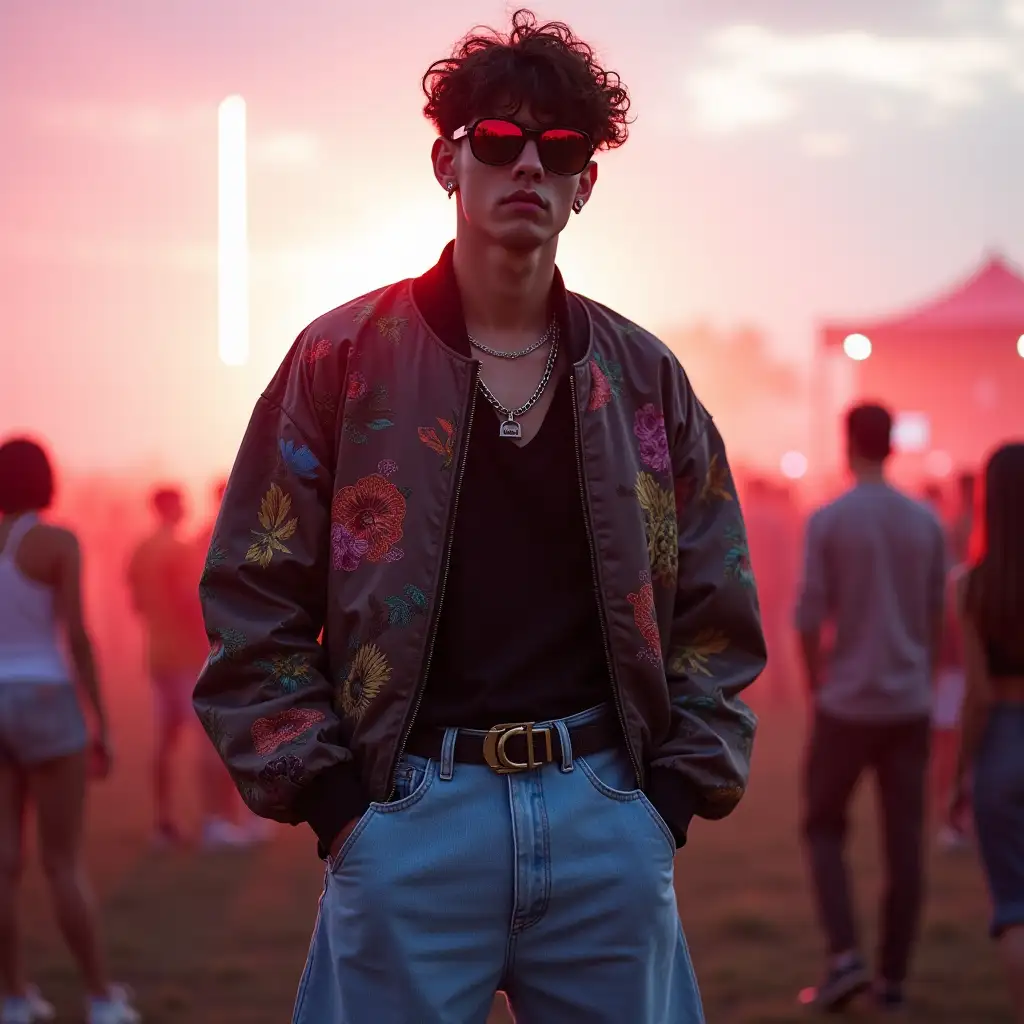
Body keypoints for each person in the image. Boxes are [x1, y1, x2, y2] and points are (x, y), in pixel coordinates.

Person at [194, 9, 766, 1023]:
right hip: (407, 818)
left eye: (560, 148)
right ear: (446, 163)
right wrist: (336, 808)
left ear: (586, 181)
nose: (527, 168)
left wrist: (665, 807)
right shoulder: (341, 360)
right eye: (497, 141)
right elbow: (251, 593)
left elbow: (719, 609)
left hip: (606, 818)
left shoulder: (643, 378)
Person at [794, 403, 947, 1013]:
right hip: (908, 701)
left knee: (823, 825)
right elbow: (937, 616)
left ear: (846, 444)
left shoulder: (831, 518)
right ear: (892, 446)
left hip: (847, 702)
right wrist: (925, 678)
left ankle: (844, 955)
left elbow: (808, 615)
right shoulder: (926, 521)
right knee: (905, 843)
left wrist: (814, 685)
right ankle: (893, 979)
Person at [0, 438, 140, 1024]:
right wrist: (102, 722)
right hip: (47, 698)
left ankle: (12, 997)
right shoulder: (58, 542)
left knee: (4, 863)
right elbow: (77, 636)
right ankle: (102, 997)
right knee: (63, 863)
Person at [127, 486, 245, 849]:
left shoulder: (141, 551)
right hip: (188, 656)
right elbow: (189, 602)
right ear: (170, 508)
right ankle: (214, 824)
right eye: (180, 503)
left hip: (157, 655)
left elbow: (136, 602)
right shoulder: (177, 550)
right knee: (209, 739)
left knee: (165, 742)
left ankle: (162, 824)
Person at [953, 442, 1024, 1023]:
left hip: (1002, 745)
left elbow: (976, 695)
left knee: (1015, 909)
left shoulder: (970, 585)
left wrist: (958, 778)